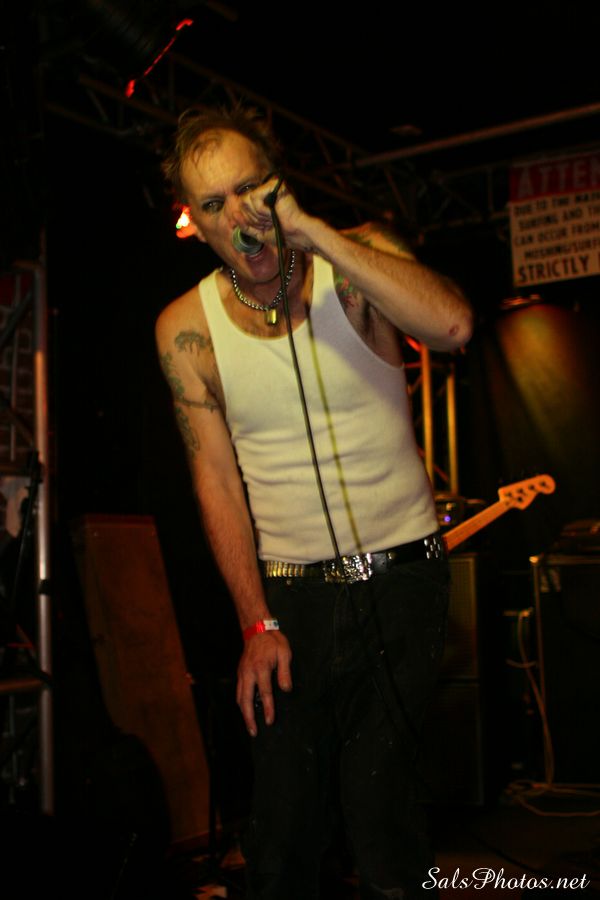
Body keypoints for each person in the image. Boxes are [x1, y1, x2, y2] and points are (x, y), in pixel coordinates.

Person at [156, 105, 473, 899]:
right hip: (290, 596)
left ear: (278, 183)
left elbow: (454, 325)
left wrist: (317, 234)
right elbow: (216, 481)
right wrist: (254, 622)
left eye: (249, 189)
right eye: (214, 203)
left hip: (402, 580)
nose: (240, 216)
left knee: (382, 814)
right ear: (194, 221)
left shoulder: (356, 263)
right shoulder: (185, 329)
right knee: (284, 832)